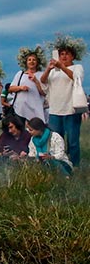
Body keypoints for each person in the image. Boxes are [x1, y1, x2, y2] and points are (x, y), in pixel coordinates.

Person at [40, 34, 86, 167]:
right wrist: (49, 69)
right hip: (55, 111)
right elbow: (43, 81)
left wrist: (62, 67)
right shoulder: (54, 71)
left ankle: (74, 165)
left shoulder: (77, 67)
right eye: (61, 54)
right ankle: (60, 164)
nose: (64, 56)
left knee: (72, 141)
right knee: (56, 141)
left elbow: (75, 78)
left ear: (73, 56)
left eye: (67, 54)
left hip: (71, 110)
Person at [8, 46, 47, 122]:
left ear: (37, 62)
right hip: (20, 109)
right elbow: (10, 88)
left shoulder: (41, 75)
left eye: (34, 60)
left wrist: (36, 81)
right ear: (26, 62)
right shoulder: (20, 74)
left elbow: (43, 93)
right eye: (29, 60)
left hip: (35, 109)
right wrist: (21, 88)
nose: (31, 62)